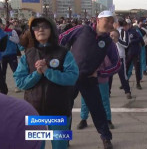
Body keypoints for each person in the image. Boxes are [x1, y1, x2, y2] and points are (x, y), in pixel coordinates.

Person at [13, 17, 79, 149]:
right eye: (36, 27)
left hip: (60, 111)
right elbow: (20, 82)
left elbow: (72, 77)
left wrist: (48, 71)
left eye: (44, 26)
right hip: (34, 112)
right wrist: (37, 74)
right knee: (36, 146)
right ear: (33, 32)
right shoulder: (28, 55)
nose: (40, 29)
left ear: (52, 30)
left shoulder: (64, 53)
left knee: (60, 145)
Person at [59, 11, 121, 149]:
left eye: (112, 21)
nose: (110, 23)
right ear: (98, 20)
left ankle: (106, 138)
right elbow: (61, 38)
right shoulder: (82, 29)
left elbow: (117, 64)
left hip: (89, 80)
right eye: (108, 20)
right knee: (64, 108)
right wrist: (59, 60)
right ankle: (64, 139)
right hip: (71, 77)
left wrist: (100, 72)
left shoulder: (108, 42)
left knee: (98, 110)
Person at [78, 31, 120, 130]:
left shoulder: (102, 51)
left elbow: (109, 65)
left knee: (104, 99)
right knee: (85, 99)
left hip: (101, 79)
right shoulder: (84, 50)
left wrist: (100, 73)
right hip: (87, 79)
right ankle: (83, 119)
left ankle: (108, 119)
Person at [110, 18, 132, 99]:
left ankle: (127, 91)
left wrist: (117, 39)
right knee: (109, 75)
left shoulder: (123, 32)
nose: (112, 24)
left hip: (120, 56)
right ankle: (108, 92)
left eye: (114, 23)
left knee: (122, 75)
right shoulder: (111, 31)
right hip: (111, 56)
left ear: (117, 23)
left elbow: (126, 44)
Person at [0, 20, 20, 92]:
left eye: (1, 24)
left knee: (15, 71)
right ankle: (2, 88)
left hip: (12, 54)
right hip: (2, 56)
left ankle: (17, 86)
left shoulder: (12, 31)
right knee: (2, 73)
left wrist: (8, 37)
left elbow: (17, 41)